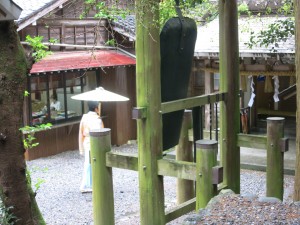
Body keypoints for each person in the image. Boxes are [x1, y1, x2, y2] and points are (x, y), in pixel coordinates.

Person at [78, 101, 104, 193]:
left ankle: (91, 183)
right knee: (91, 163)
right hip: (94, 142)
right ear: (96, 108)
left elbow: (81, 133)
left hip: (86, 142)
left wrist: (81, 148)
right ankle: (86, 185)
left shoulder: (84, 117)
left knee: (89, 163)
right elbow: (101, 133)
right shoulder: (97, 120)